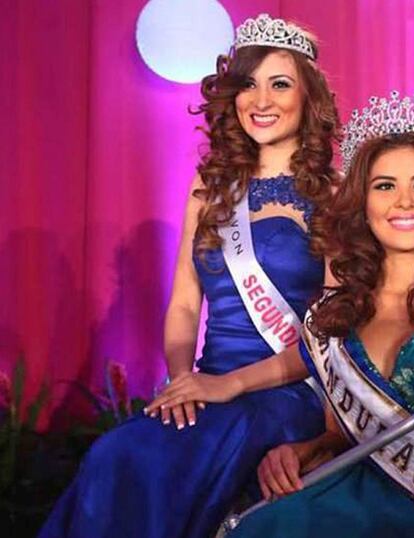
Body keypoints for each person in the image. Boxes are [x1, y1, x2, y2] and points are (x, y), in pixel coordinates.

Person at [147, 92, 414, 537]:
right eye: (385, 186)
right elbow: (344, 439)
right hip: (349, 499)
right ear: (363, 204)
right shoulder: (339, 311)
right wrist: (302, 452)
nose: (405, 201)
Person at [39, 13, 339, 538]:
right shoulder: (210, 187)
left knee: (190, 455)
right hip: (206, 379)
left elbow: (333, 334)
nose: (261, 100)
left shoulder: (334, 195)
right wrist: (183, 379)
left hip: (286, 389)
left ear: (308, 96)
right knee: (114, 453)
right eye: (248, 84)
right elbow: (183, 303)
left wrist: (228, 385)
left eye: (280, 84)